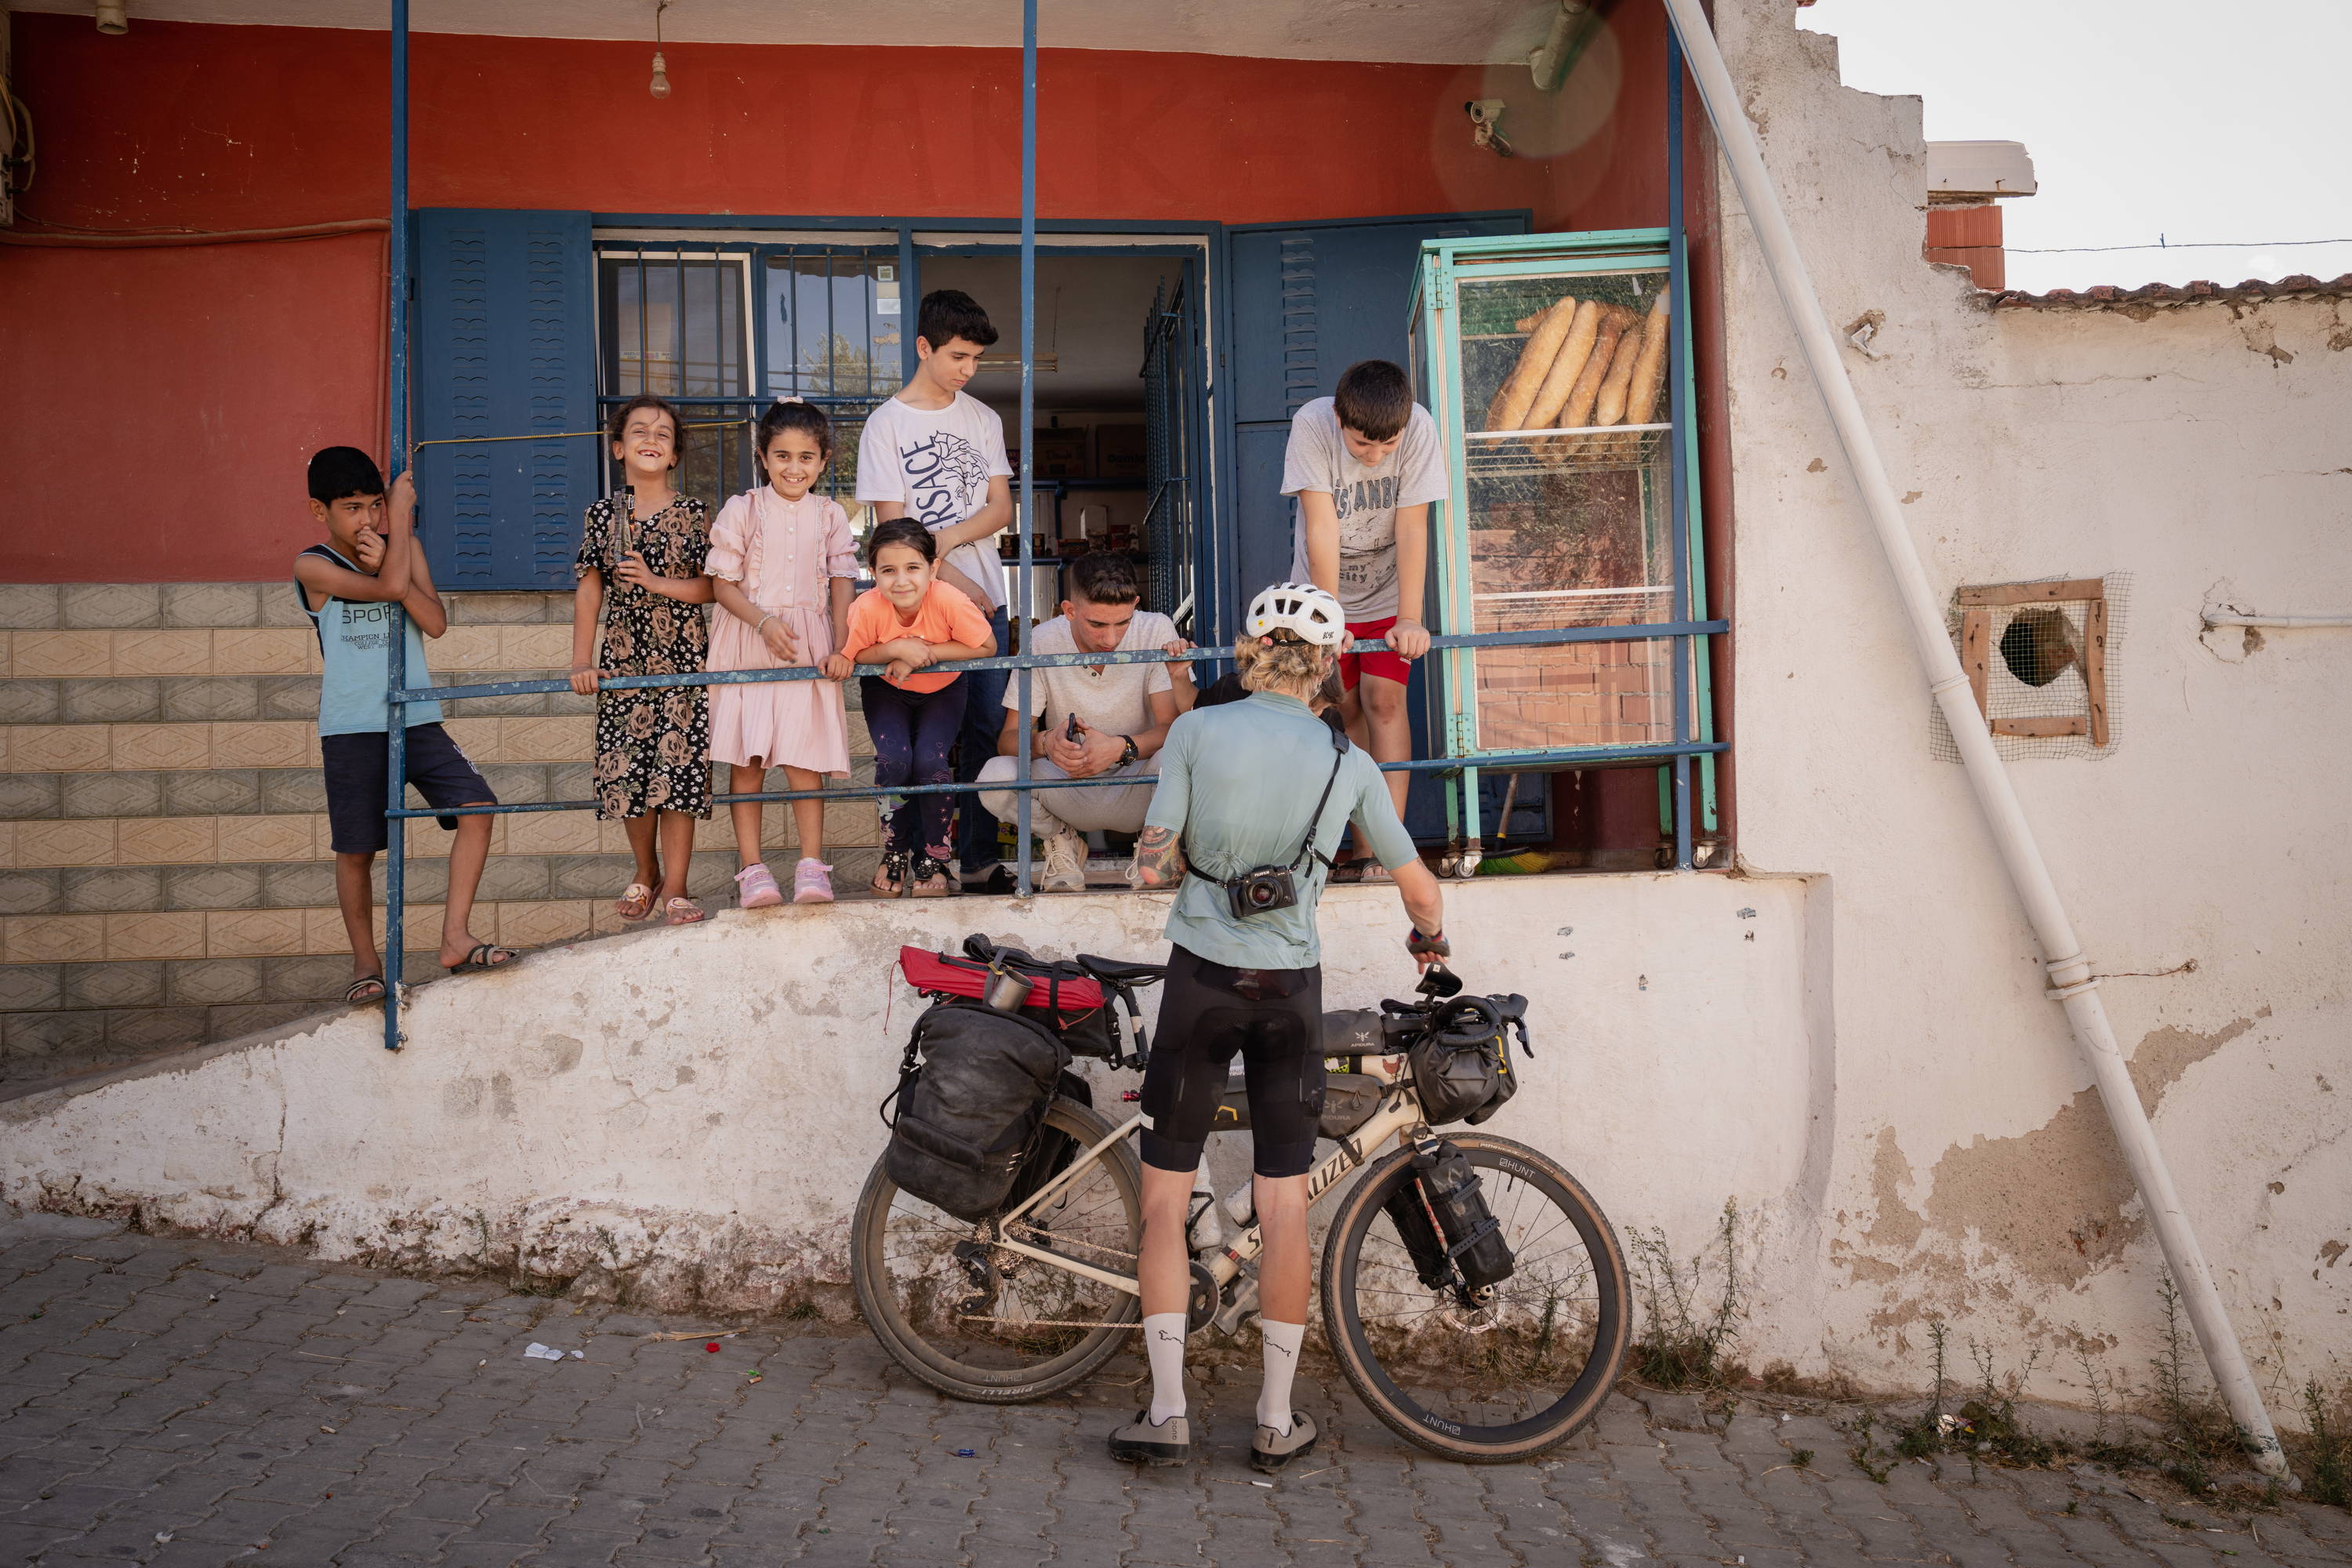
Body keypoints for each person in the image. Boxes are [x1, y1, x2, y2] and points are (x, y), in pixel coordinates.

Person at [1112, 581, 1450, 1473]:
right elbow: (1419, 888)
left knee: (1160, 1198)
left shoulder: (1195, 731)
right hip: (1289, 990)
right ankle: (1274, 1417)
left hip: (1200, 982)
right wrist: (1429, 942)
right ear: (1328, 664)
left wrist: (1188, 858)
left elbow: (1152, 863)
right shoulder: (1352, 761)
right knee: (1285, 1205)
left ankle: (1168, 1409)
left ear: (1250, 650)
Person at [295, 447, 517, 1003]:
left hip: (416, 716)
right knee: (356, 849)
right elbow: (389, 590)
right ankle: (367, 965)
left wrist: (394, 555)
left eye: (376, 505)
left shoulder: (407, 548)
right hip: (352, 724)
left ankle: (454, 937)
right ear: (319, 511)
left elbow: (435, 623)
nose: (368, 520)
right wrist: (386, 555)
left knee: (478, 806)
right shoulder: (313, 565)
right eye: (352, 508)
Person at [854, 288, 1018, 892]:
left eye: (975, 359)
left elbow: (1000, 508)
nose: (967, 371)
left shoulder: (982, 418)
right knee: (921, 745)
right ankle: (924, 859)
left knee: (983, 730)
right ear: (923, 347)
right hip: (912, 611)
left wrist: (943, 545)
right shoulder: (886, 426)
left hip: (983, 601)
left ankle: (974, 858)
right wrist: (948, 577)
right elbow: (894, 534)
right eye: (957, 357)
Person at [1283, 358, 1448, 877]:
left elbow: (1415, 525)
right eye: (1362, 445)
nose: (1375, 457)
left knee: (1386, 702)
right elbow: (1321, 526)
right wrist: (1331, 623)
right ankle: (1359, 847)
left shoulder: (1420, 427)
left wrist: (1411, 618)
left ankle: (1388, 848)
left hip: (1386, 598)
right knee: (1345, 708)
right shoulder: (1311, 423)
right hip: (1324, 593)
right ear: (1339, 418)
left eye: (1387, 445)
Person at [568, 394, 717, 926]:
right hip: (624, 660)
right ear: (618, 449)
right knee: (630, 770)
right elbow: (589, 591)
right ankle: (645, 871)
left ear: (674, 453)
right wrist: (580, 661)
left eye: (662, 433)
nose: (651, 439)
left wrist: (656, 582)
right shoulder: (603, 515)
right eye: (638, 431)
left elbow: (711, 589)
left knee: (678, 772)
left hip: (683, 658)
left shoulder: (697, 514)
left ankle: (676, 886)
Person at [706, 399, 858, 908]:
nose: (795, 468)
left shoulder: (831, 514)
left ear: (824, 459)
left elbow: (841, 581)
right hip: (748, 639)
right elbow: (721, 584)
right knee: (747, 759)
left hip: (807, 646)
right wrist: (763, 622)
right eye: (783, 456)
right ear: (763, 457)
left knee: (802, 757)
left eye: (806, 458)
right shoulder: (741, 509)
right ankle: (753, 870)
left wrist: (841, 644)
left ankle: (812, 868)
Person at [973, 551, 1196, 893]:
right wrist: (1047, 744)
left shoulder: (1155, 628)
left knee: (1188, 761)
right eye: (1097, 624)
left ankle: (1154, 848)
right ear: (1070, 610)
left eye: (1123, 622)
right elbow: (1008, 740)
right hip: (1069, 783)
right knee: (995, 776)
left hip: (1140, 782)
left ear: (1135, 604)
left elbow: (1173, 728)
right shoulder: (1043, 639)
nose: (1111, 639)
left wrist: (1121, 748)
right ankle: (1061, 841)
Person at [838, 520, 998, 897]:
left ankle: (934, 857)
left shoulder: (948, 599)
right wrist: (896, 649)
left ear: (933, 568)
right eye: (888, 571)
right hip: (886, 691)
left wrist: (922, 654)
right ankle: (894, 852)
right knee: (894, 761)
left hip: (943, 691)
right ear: (872, 572)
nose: (901, 581)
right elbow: (856, 654)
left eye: (913, 568)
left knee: (930, 763)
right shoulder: (866, 607)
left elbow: (987, 646)